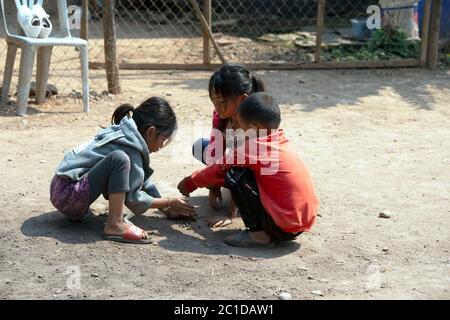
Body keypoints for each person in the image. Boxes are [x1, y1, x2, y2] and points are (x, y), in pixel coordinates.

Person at [179, 92, 319, 248]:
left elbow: (219, 169)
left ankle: (259, 235)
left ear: (253, 129)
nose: (236, 128)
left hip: (282, 226)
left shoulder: (252, 147)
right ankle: (268, 231)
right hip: (299, 224)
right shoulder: (281, 140)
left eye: (238, 125)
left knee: (233, 174)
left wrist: (190, 182)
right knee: (244, 171)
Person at [50, 97, 195, 244]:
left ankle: (97, 215)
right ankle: (115, 224)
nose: (161, 146)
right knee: (119, 159)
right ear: (151, 132)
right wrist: (169, 201)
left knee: (119, 160)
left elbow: (140, 180)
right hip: (67, 195)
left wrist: (168, 209)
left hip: (60, 189)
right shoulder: (129, 147)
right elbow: (134, 198)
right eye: (163, 139)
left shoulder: (125, 133)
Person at [192, 63, 267, 227]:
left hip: (254, 172)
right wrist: (213, 187)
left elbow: (243, 165)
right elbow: (216, 152)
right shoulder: (220, 116)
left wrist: (230, 213)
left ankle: (242, 202)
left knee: (238, 168)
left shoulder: (255, 122)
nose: (217, 108)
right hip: (234, 162)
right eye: (214, 102)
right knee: (200, 147)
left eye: (221, 102)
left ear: (242, 100)